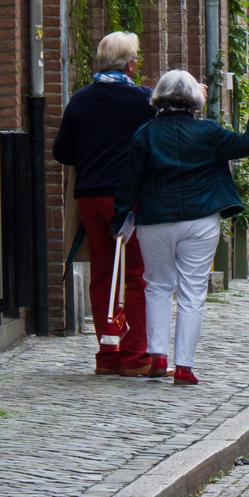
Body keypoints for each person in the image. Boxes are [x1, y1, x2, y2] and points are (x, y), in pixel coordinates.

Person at [110, 71, 249, 386]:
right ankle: (183, 367)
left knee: (156, 285)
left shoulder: (145, 134)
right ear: (194, 102)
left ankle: (157, 356)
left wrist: (119, 219)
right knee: (192, 292)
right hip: (200, 220)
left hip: (154, 221)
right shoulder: (208, 132)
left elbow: (128, 183)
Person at [53, 31, 156, 377]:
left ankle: (107, 351)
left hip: (89, 198)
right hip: (126, 200)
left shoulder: (80, 101)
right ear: (130, 64)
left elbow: (61, 152)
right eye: (136, 59)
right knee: (135, 275)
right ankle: (134, 354)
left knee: (101, 273)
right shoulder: (143, 101)